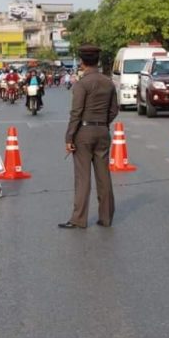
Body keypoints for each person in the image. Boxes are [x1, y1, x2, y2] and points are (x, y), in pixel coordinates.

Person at [59, 45, 119, 229]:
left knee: (83, 177)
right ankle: (106, 217)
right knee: (104, 176)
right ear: (98, 61)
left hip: (84, 132)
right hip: (102, 131)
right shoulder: (108, 82)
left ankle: (79, 219)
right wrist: (102, 123)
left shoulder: (82, 84)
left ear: (83, 62)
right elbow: (114, 110)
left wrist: (69, 138)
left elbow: (76, 112)